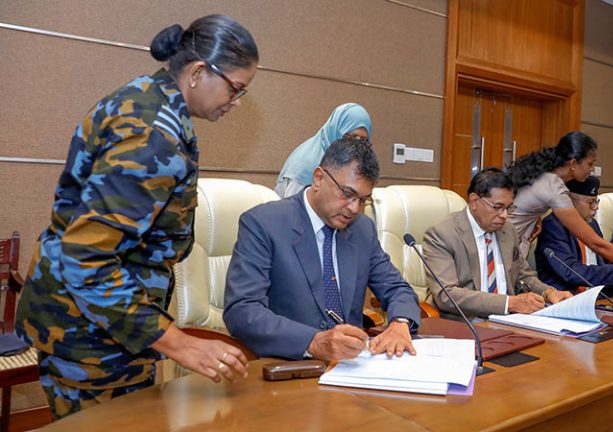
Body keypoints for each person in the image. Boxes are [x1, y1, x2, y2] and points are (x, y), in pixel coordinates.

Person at [14, 15, 259, 419]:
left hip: (107, 324)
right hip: (90, 334)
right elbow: (87, 259)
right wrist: (181, 344)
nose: (236, 101)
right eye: (235, 88)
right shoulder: (151, 136)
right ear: (198, 72)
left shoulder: (148, 98)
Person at [224, 137, 420, 361]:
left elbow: (397, 288)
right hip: (289, 363)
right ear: (318, 178)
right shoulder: (264, 224)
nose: (354, 208)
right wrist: (313, 341)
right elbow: (242, 310)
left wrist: (400, 323)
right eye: (347, 194)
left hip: (351, 365)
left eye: (363, 200)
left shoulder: (362, 229)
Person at [507, 131, 613, 288]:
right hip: (504, 246)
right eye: (590, 164)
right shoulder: (554, 186)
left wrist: (536, 218)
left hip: (512, 245)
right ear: (573, 164)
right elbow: (596, 244)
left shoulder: (546, 177)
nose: (592, 169)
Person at [422, 168, 571, 320]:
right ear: (474, 201)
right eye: (498, 207)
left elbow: (523, 275)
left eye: (508, 208)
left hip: (509, 320)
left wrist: (548, 293)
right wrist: (509, 303)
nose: (504, 215)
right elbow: (447, 295)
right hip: (464, 322)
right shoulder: (442, 234)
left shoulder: (508, 230)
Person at [535, 176, 613, 294]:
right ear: (569, 201)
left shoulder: (592, 224)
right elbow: (570, 272)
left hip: (599, 294)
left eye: (596, 201)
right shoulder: (553, 226)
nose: (596, 207)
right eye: (590, 202)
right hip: (566, 297)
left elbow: (607, 259)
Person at [275, 103, 371, 198]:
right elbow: (294, 205)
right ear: (335, 131)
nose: (356, 146)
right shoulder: (308, 163)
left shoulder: (350, 163)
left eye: (363, 140)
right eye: (350, 138)